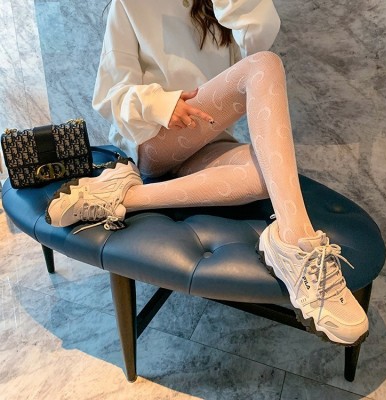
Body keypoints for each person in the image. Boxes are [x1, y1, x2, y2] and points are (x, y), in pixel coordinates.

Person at [46, 0, 368, 345]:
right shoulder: (130, 4)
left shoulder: (220, 6)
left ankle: (125, 196)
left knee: (269, 173)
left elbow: (257, 39)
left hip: (209, 140)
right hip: (154, 141)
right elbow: (109, 95)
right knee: (265, 65)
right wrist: (161, 104)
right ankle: (296, 242)